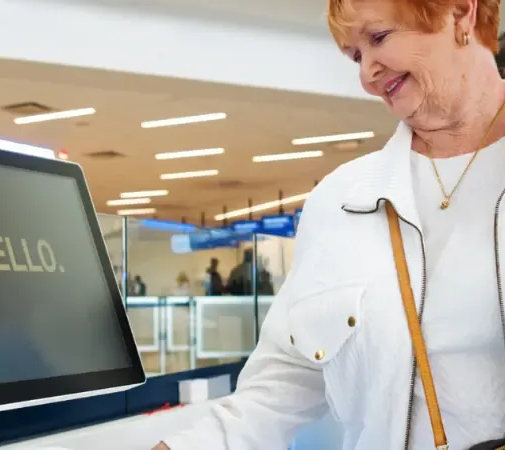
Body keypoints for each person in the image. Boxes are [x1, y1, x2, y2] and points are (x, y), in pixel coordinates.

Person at [153, 0, 505, 449]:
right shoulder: (340, 201)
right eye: (355, 56)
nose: (366, 75)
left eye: (378, 38)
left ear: (459, 13)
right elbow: (287, 378)